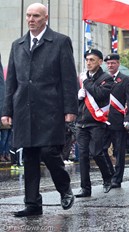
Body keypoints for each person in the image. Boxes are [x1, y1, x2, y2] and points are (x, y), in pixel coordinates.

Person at [1, 3, 78, 217]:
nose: (31, 19)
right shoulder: (18, 45)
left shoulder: (60, 42)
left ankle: (64, 188)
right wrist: (6, 110)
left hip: (51, 107)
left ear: (46, 18)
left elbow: (69, 78)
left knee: (48, 151)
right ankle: (33, 204)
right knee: (30, 156)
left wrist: (71, 108)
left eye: (35, 16)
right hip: (24, 108)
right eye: (28, 15)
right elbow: (12, 81)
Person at [75, 49, 114, 197]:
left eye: (92, 60)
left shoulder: (106, 78)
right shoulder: (81, 77)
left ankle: (107, 177)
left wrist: (86, 82)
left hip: (97, 121)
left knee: (97, 153)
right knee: (83, 156)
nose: (89, 62)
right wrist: (78, 97)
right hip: (82, 121)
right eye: (87, 60)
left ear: (100, 62)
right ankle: (85, 188)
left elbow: (100, 94)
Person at [102, 53, 129, 188]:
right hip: (103, 120)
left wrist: (128, 119)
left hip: (119, 120)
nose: (110, 65)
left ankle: (117, 178)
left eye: (113, 63)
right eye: (108, 63)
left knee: (119, 151)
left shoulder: (125, 79)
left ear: (118, 64)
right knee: (101, 150)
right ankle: (109, 174)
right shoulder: (103, 79)